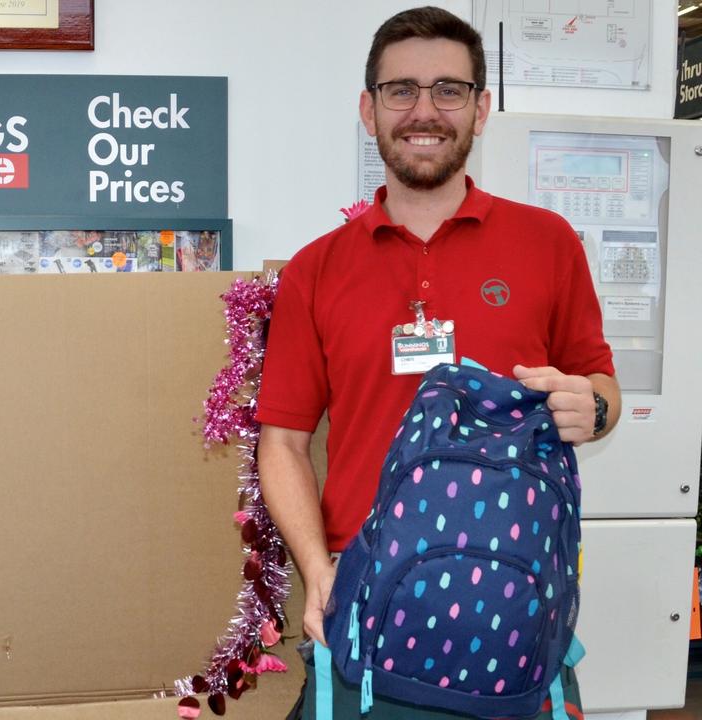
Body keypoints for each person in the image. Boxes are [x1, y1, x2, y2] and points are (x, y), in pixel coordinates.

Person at [253, 7, 621, 717]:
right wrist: (319, 572)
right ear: (369, 109)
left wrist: (592, 406)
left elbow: (598, 384)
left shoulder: (549, 244)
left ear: (482, 109)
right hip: (366, 603)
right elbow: (284, 442)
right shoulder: (315, 270)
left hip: (513, 607)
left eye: (450, 90)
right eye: (402, 91)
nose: (425, 111)